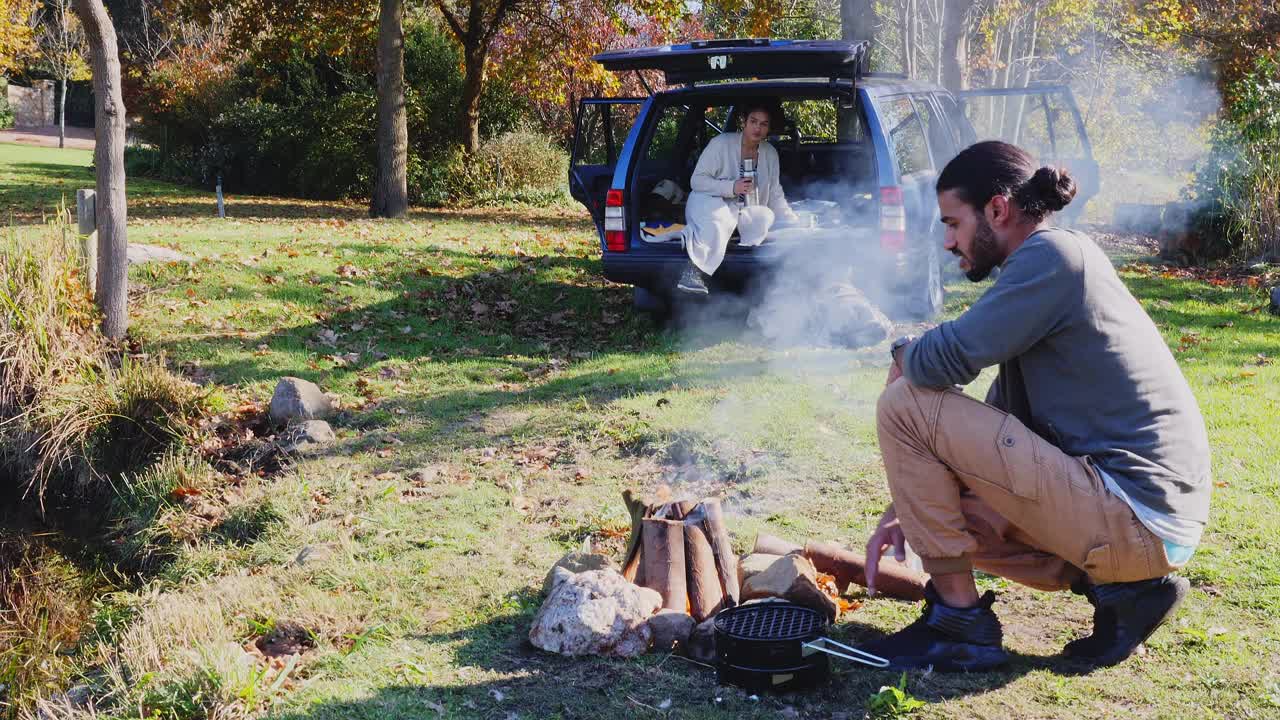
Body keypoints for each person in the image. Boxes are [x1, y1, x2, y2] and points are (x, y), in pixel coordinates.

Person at [858, 140, 1211, 671]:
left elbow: (941, 360)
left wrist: (901, 347)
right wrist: (909, 507)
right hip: (1143, 523)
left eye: (952, 224)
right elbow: (999, 428)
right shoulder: (1049, 265)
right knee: (953, 515)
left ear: (997, 210)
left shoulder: (1052, 257)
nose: (949, 243)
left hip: (1137, 516)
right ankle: (1124, 595)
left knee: (904, 402)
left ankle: (960, 628)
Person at [676, 101, 797, 295]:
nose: (757, 128)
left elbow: (774, 193)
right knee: (721, 217)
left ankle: (749, 269)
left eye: (764, 124)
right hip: (707, 200)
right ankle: (693, 272)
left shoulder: (770, 154)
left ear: (768, 129)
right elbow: (696, 181)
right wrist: (732, 186)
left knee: (765, 216)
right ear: (744, 122)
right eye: (753, 121)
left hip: (742, 209)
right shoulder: (721, 143)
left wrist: (793, 221)